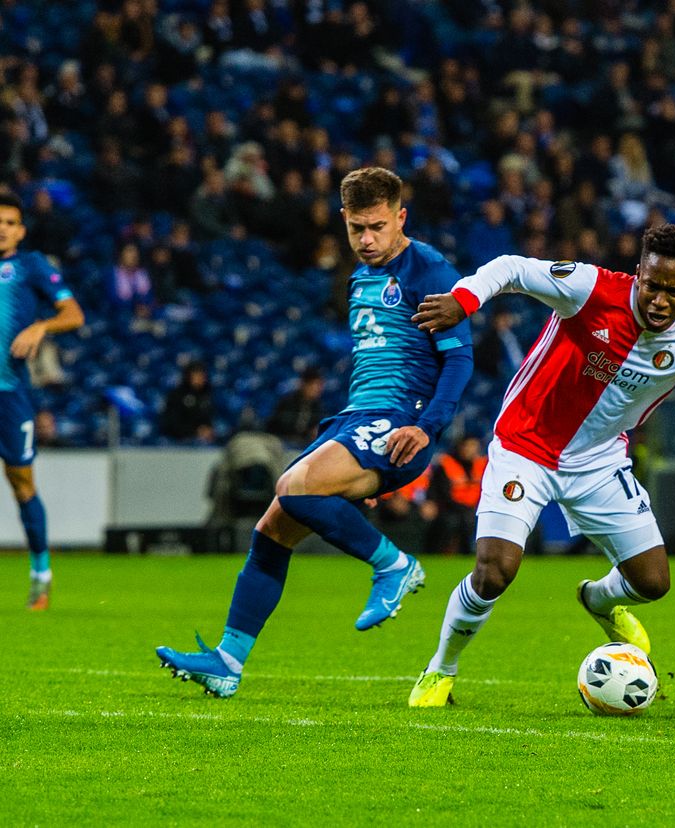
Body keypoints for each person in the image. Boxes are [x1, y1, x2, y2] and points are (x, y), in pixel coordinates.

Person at [407, 223, 675, 706]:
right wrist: (465, 299)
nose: (661, 301)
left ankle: (596, 599)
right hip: (526, 446)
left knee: (653, 582)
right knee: (495, 572)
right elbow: (513, 268)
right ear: (637, 273)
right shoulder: (590, 288)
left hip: (599, 462)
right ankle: (441, 670)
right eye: (653, 286)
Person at [156, 168, 473, 698]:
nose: (366, 240)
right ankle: (227, 661)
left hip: (398, 424)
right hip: (357, 420)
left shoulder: (431, 269)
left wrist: (425, 429)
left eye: (376, 227)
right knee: (271, 530)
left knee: (293, 487)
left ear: (401, 217)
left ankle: (395, 565)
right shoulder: (358, 277)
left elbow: (459, 362)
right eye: (356, 230)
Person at [0, 192, 85, 609]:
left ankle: (41, 574)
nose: (2, 228)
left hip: (10, 394)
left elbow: (73, 313)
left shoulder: (31, 266)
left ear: (21, 230)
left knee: (21, 484)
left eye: (10, 222)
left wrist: (39, 327)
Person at [425, 434, 487, 556]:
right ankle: (443, 554)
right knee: (453, 521)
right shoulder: (447, 464)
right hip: (451, 509)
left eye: (473, 446)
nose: (469, 449)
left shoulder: (483, 465)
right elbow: (442, 492)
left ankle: (472, 554)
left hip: (476, 508)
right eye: (467, 446)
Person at [265, 366, 324, 445]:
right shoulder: (288, 402)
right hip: (281, 441)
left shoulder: (316, 406)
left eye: (320, 386)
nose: (318, 390)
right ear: (305, 385)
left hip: (302, 444)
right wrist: (308, 432)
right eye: (315, 385)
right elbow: (284, 426)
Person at [160, 360, 216, 443]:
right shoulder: (176, 395)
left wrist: (207, 430)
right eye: (196, 374)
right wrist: (196, 431)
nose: (200, 378)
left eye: (202, 375)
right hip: (177, 441)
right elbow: (171, 423)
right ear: (188, 376)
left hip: (201, 441)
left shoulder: (207, 395)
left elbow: (209, 419)